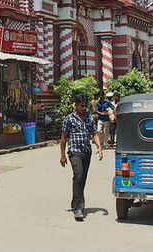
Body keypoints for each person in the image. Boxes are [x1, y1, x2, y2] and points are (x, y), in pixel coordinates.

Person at [60, 93, 103, 221]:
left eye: (85, 106)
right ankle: (78, 208)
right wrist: (62, 155)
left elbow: (94, 134)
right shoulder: (69, 119)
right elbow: (63, 137)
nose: (84, 108)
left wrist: (99, 148)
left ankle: (75, 202)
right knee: (78, 176)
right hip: (74, 152)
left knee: (82, 179)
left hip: (86, 152)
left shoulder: (89, 118)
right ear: (76, 106)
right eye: (82, 106)